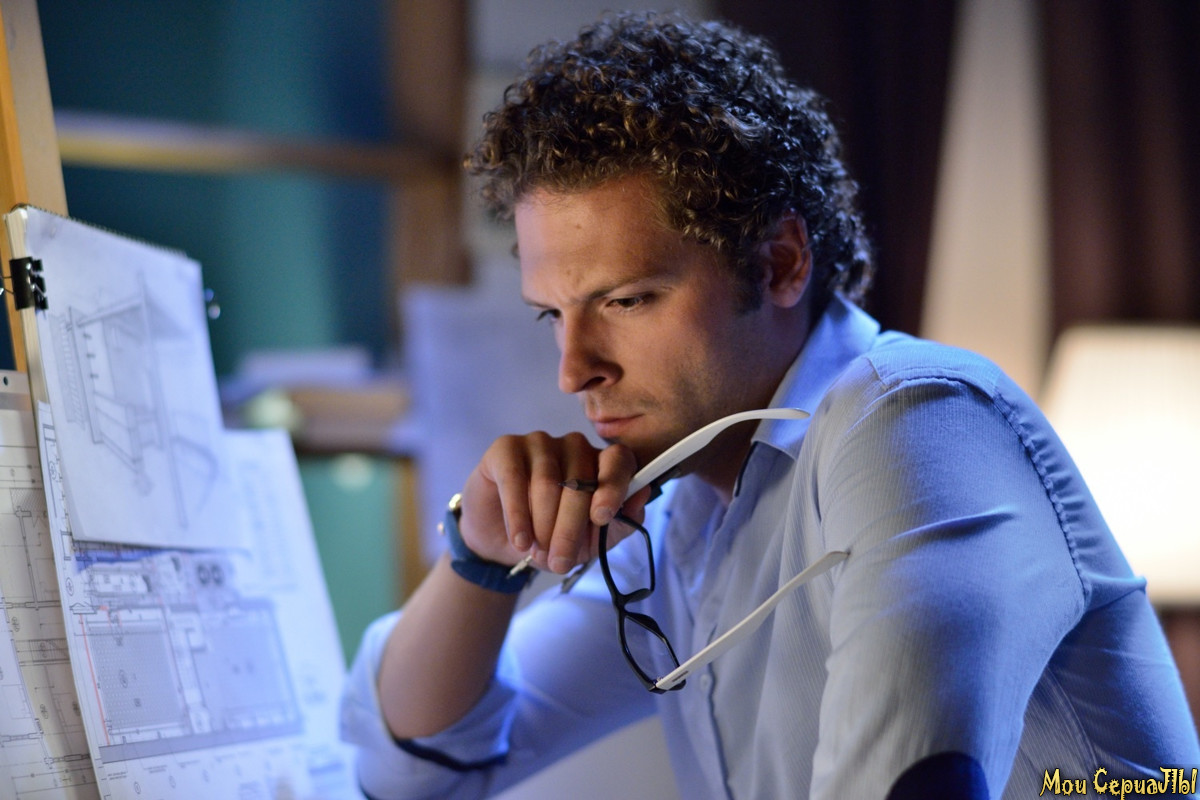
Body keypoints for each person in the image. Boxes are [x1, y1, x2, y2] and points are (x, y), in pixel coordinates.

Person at [341, 10, 1200, 799]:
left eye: (628, 300)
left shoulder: (915, 418)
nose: (574, 371)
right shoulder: (688, 516)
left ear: (782, 262)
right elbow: (407, 770)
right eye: (552, 315)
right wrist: (481, 557)